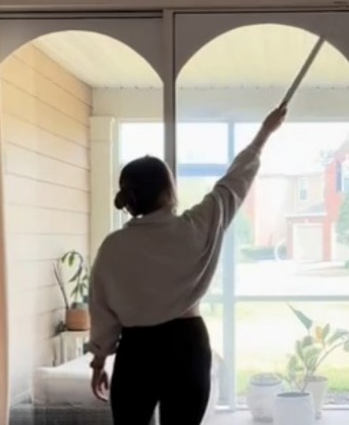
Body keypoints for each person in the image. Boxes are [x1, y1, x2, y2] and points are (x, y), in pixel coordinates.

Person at [88, 105, 288, 425]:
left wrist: (99, 360)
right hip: (187, 346)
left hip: (137, 352)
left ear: (129, 199)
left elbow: (101, 310)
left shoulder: (112, 248)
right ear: (169, 192)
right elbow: (233, 183)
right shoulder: (194, 228)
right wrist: (264, 133)